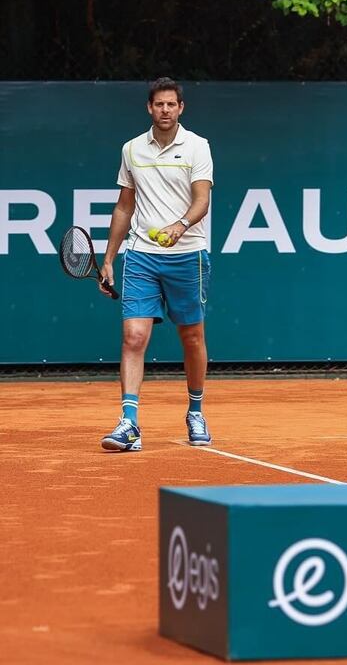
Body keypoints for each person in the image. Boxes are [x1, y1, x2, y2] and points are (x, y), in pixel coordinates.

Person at [98, 77, 214, 451]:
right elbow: (124, 206)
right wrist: (109, 258)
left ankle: (195, 410)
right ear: (150, 108)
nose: (165, 110)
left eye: (171, 104)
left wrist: (180, 226)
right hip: (141, 256)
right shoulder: (132, 149)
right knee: (133, 337)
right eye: (159, 104)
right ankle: (128, 423)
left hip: (188, 255)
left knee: (192, 337)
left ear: (181, 108)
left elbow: (202, 201)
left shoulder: (198, 147)